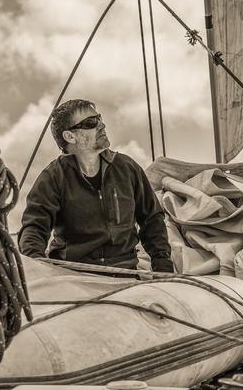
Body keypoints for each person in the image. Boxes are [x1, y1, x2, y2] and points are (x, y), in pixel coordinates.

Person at [18, 99, 174, 273]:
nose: (102, 125)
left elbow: (151, 218)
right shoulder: (53, 178)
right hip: (74, 275)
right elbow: (34, 229)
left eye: (99, 118)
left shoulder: (126, 168)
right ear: (70, 136)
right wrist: (36, 271)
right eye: (91, 123)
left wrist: (162, 265)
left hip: (125, 273)